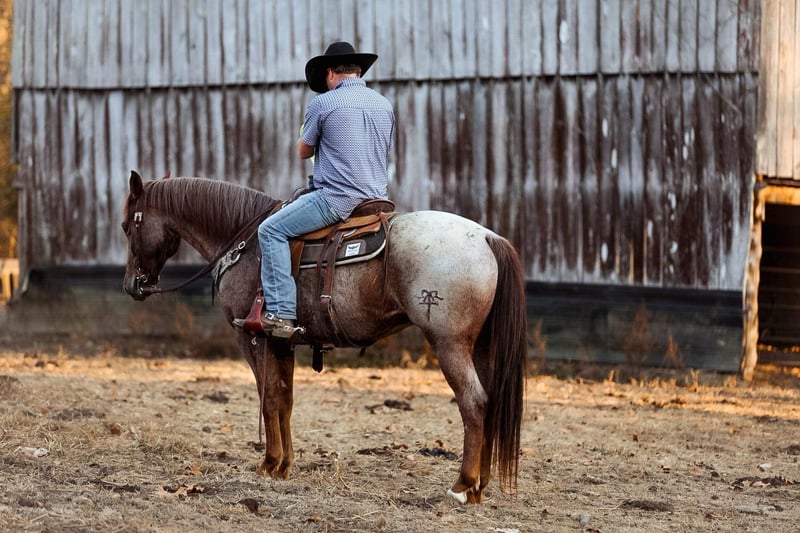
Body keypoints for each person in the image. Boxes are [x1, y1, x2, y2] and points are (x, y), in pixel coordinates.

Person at [235, 41, 395, 338]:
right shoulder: (384, 104)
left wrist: (307, 134)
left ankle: (281, 313)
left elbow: (303, 151)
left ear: (331, 72)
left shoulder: (323, 104)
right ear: (358, 72)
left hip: (338, 199)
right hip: (377, 199)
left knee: (270, 230)